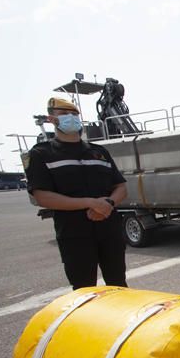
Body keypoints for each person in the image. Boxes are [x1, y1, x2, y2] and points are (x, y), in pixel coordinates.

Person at [24, 97, 128, 290]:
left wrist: (108, 205)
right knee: (83, 289)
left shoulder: (99, 152)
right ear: (52, 119)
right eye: (64, 114)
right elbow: (42, 196)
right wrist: (90, 203)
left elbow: (120, 187)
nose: (70, 118)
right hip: (75, 234)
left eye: (74, 114)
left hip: (109, 229)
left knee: (118, 284)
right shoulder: (42, 154)